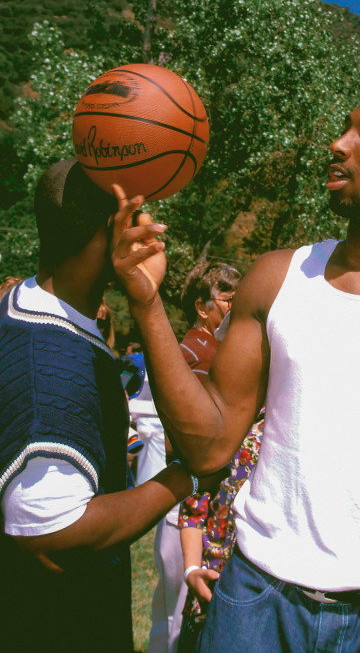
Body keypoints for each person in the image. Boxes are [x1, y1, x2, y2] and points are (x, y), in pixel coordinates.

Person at [111, 79, 360, 653]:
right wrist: (146, 304)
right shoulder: (275, 279)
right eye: (344, 129)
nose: (338, 145)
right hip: (256, 603)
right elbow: (210, 447)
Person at [0, 159, 206, 653]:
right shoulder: (50, 361)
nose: (151, 234)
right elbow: (52, 536)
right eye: (136, 219)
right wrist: (188, 476)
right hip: (56, 628)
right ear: (108, 231)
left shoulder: (28, 309)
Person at [148, 261, 241, 653]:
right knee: (175, 614)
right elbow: (182, 442)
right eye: (229, 301)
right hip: (186, 503)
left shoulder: (231, 352)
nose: (237, 310)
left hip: (219, 511)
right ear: (202, 308)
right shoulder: (187, 356)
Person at [178, 407, 264, 653]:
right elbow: (193, 508)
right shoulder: (221, 420)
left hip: (266, 596)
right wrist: (192, 570)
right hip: (211, 587)